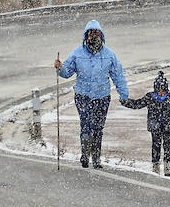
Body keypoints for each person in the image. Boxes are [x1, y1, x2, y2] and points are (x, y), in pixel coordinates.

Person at [54, 20, 129, 169]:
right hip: (83, 96)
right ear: (86, 35)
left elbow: (118, 75)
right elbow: (67, 72)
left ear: (101, 35)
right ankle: (85, 154)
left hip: (102, 97)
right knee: (86, 125)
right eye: (91, 33)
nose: (94, 36)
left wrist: (123, 94)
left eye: (96, 33)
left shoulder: (109, 55)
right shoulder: (77, 53)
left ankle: (96, 158)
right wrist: (60, 68)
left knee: (98, 127)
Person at [123, 71, 170, 175]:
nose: (161, 93)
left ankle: (167, 166)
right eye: (159, 90)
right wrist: (126, 102)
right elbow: (137, 104)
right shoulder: (150, 97)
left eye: (163, 90)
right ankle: (155, 166)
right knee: (155, 146)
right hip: (155, 126)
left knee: (167, 146)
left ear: (166, 89)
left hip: (168, 126)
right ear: (155, 89)